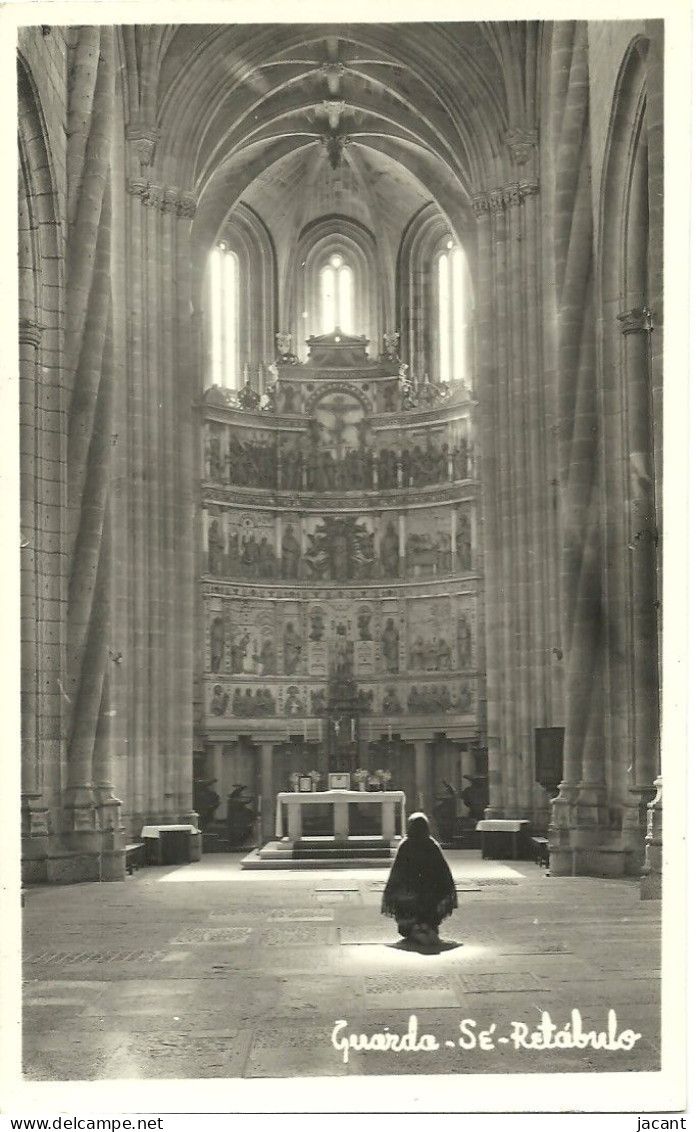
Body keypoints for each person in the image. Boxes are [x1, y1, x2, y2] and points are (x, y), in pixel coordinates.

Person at [381, 812, 457, 947]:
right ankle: (427, 927)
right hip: (431, 893)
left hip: (410, 895)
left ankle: (416, 929)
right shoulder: (432, 844)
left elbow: (397, 872)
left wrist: (393, 891)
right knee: (428, 904)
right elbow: (443, 872)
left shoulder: (405, 844)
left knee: (407, 902)